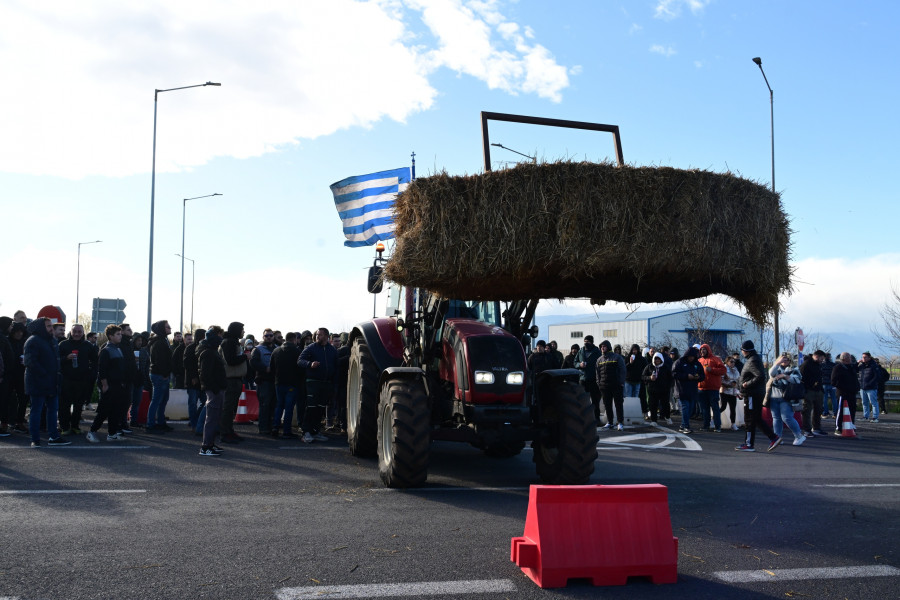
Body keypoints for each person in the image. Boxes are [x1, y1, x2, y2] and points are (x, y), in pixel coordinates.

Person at [23, 318, 70, 447]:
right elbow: (30, 362)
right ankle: (35, 439)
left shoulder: (52, 341)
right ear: (40, 327)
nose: (51, 328)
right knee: (36, 411)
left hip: (52, 382)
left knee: (52, 410)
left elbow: (56, 361)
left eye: (50, 325)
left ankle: (53, 436)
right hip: (37, 382)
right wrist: (45, 374)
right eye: (48, 326)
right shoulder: (32, 341)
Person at [736, 340, 779, 452]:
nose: (741, 352)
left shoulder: (752, 360)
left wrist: (746, 384)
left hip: (752, 394)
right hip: (752, 393)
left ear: (745, 351)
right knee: (756, 418)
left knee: (750, 419)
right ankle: (772, 438)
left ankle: (750, 444)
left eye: (742, 350)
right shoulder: (753, 359)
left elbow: (760, 376)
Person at [87, 324, 128, 442]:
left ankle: (112, 433)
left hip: (118, 385)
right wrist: (105, 385)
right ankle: (92, 432)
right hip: (109, 385)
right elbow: (102, 370)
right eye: (118, 334)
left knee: (115, 410)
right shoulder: (106, 350)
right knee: (104, 410)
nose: (120, 336)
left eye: (120, 334)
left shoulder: (118, 349)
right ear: (110, 336)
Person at [298, 327, 338, 443]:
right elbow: (300, 360)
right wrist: (310, 364)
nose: (317, 337)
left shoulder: (332, 350)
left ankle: (316, 431)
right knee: (311, 408)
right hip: (313, 382)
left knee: (320, 408)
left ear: (326, 336)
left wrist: (334, 384)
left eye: (320, 335)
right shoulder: (311, 348)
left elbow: (336, 368)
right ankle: (306, 432)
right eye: (316, 335)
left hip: (326, 383)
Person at [58, 323, 98, 435]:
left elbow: (95, 361)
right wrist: (66, 358)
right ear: (70, 332)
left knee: (78, 405)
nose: (76, 334)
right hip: (66, 379)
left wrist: (91, 373)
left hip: (82, 380)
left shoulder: (88, 345)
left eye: (79, 332)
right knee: (64, 405)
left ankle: (75, 426)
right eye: (74, 331)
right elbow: (56, 360)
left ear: (83, 333)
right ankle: (65, 427)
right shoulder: (63, 344)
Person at [198, 326, 226, 456]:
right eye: (219, 336)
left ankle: (210, 443)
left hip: (216, 389)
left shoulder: (212, 351)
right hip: (213, 390)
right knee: (211, 419)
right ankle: (206, 447)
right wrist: (215, 389)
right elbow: (205, 374)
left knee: (215, 418)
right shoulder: (208, 353)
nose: (221, 338)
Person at [768, 353, 806, 448]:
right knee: (776, 418)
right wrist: (777, 363)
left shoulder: (793, 369)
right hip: (774, 396)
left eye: (786, 360)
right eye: (782, 359)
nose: (784, 361)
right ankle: (777, 437)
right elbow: (771, 374)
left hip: (787, 397)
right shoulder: (776, 367)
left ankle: (798, 435)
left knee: (787, 417)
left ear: (790, 360)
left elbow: (797, 380)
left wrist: (785, 376)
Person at [219, 322, 248, 444]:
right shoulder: (229, 342)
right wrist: (245, 356)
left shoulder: (233, 341)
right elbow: (230, 360)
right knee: (228, 408)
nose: (243, 332)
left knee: (231, 408)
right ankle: (225, 433)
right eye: (242, 329)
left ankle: (229, 431)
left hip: (235, 379)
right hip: (230, 380)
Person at [271, 331, 302, 438]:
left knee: (279, 405)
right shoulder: (297, 351)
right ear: (294, 339)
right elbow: (300, 368)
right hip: (292, 384)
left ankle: (275, 427)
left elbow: (272, 368)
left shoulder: (276, 351)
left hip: (278, 382)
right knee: (289, 408)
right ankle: (286, 431)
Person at [147, 320, 173, 433]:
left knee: (162, 400)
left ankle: (160, 422)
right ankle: (150, 425)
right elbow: (160, 361)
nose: (170, 328)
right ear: (162, 329)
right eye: (167, 327)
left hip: (161, 374)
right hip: (159, 375)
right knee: (157, 400)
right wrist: (165, 374)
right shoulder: (159, 342)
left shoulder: (162, 340)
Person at [250, 328, 277, 435]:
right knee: (264, 405)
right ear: (263, 337)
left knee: (273, 405)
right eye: (267, 336)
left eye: (271, 335)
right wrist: (265, 368)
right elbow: (253, 362)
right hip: (263, 381)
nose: (269, 337)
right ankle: (263, 428)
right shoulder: (257, 349)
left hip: (275, 381)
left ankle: (271, 427)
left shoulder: (277, 348)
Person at [672, 346, 704, 434]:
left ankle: (683, 425)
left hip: (692, 390)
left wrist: (698, 377)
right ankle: (686, 426)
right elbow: (674, 373)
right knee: (685, 408)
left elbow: (702, 375)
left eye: (693, 356)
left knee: (690, 409)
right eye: (690, 356)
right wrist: (686, 376)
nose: (691, 358)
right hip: (681, 390)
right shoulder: (679, 362)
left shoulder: (697, 364)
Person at [596, 340, 626, 431]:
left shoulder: (617, 357)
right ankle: (610, 422)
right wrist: (599, 383)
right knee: (607, 405)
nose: (602, 348)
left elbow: (623, 370)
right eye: (601, 346)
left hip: (616, 385)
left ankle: (620, 423)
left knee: (618, 404)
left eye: (604, 346)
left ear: (608, 347)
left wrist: (621, 382)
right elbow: (597, 373)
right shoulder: (599, 360)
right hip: (604, 386)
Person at [697, 343, 725, 432]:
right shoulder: (699, 361)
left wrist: (711, 370)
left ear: (708, 350)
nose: (702, 351)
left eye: (704, 349)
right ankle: (706, 425)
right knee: (704, 409)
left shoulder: (716, 359)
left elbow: (723, 370)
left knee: (715, 408)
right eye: (701, 350)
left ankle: (717, 426)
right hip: (701, 388)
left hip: (713, 388)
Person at [574, 336, 603, 424]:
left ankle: (596, 418)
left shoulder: (597, 351)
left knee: (595, 400)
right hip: (583, 379)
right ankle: (583, 418)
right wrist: (580, 365)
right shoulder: (581, 350)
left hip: (593, 379)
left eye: (588, 342)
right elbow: (575, 362)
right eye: (585, 341)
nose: (586, 343)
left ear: (592, 342)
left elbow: (600, 363)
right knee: (582, 400)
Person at [799, 349, 826, 436]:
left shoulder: (818, 365)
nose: (822, 360)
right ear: (817, 356)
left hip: (818, 390)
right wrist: (807, 387)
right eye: (821, 358)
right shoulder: (806, 364)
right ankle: (807, 430)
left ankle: (817, 428)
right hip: (809, 391)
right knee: (807, 410)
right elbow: (801, 377)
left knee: (818, 410)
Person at [832, 352, 860, 435]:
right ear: (844, 358)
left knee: (852, 410)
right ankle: (838, 428)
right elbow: (833, 381)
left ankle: (850, 426)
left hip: (852, 393)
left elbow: (855, 378)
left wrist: (856, 387)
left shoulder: (851, 367)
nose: (850, 358)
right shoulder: (838, 367)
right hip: (842, 393)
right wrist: (843, 387)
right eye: (848, 357)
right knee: (840, 411)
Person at [183, 328, 206, 432]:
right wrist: (193, 377)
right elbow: (187, 364)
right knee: (192, 403)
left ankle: (195, 420)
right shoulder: (190, 348)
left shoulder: (204, 347)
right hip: (193, 380)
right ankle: (194, 424)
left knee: (204, 402)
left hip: (202, 380)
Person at [642, 352, 672, 425]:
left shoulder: (666, 367)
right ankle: (654, 420)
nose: (657, 361)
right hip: (652, 389)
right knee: (653, 405)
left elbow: (670, 378)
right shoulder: (649, 367)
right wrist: (649, 378)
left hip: (664, 390)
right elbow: (643, 376)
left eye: (659, 359)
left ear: (661, 359)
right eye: (656, 359)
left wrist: (668, 386)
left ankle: (668, 417)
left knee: (665, 405)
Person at [0, 316, 15, 435]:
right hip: (2, 377)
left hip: (5, 375)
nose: (11, 328)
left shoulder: (3, 337)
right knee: (2, 402)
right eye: (10, 325)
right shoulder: (1, 338)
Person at [858, 351, 881, 422]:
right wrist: (857, 363)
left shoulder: (874, 365)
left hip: (871, 388)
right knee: (864, 403)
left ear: (869, 357)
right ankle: (865, 416)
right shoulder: (861, 366)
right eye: (862, 357)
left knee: (873, 403)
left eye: (865, 357)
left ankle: (875, 417)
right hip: (863, 387)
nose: (863, 358)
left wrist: (870, 383)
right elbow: (854, 369)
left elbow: (877, 376)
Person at [624, 344, 647, 415]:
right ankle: (628, 413)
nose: (634, 351)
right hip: (628, 381)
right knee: (628, 397)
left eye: (636, 350)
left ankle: (635, 413)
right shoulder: (627, 358)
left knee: (636, 398)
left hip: (638, 381)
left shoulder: (642, 359)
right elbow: (624, 368)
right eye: (633, 350)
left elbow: (645, 369)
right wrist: (630, 363)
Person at [720, 355, 741, 430]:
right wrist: (727, 384)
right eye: (731, 361)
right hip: (724, 391)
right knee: (723, 406)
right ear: (727, 362)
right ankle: (714, 419)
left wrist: (737, 388)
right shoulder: (724, 369)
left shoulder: (735, 370)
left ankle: (733, 424)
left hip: (733, 392)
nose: (733, 363)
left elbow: (738, 379)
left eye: (734, 362)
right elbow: (720, 380)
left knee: (733, 408)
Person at [820, 352, 837, 417]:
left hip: (824, 383)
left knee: (824, 399)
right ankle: (835, 413)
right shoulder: (833, 365)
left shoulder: (821, 365)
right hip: (832, 383)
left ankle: (825, 412)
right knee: (834, 399)